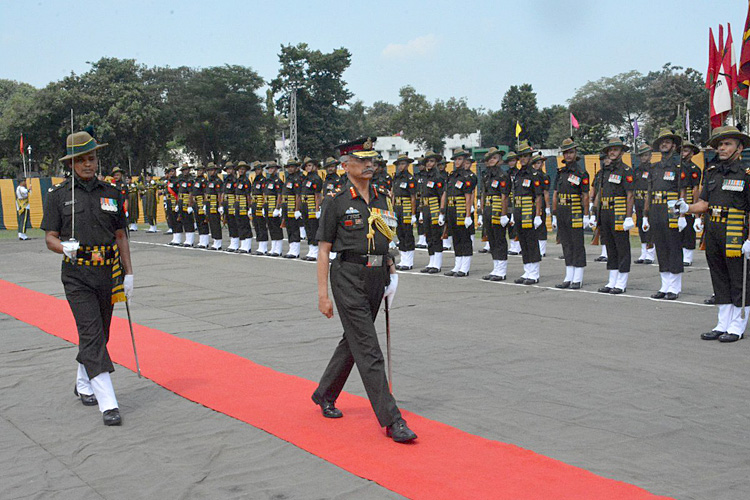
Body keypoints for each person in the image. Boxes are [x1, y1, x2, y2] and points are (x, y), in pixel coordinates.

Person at [312, 137, 416, 443]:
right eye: (363, 160)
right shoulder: (336, 200)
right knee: (369, 349)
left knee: (354, 341)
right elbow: (323, 250)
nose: (370, 165)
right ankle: (391, 420)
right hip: (347, 276)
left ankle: (324, 393)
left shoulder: (382, 197)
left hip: (377, 274)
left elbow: (387, 238)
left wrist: (392, 272)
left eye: (372, 160)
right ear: (346, 166)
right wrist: (322, 294)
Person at [40, 130, 133, 426]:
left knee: (101, 335)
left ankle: (83, 382)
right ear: (71, 164)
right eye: (81, 160)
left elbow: (121, 236)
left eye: (91, 158)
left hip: (108, 272)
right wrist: (62, 248)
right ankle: (108, 403)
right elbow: (49, 237)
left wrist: (129, 273)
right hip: (77, 274)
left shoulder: (112, 193)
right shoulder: (58, 196)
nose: (88, 165)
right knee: (92, 333)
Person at [678, 126, 750, 342]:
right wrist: (687, 208)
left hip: (736, 229)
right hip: (714, 229)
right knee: (719, 277)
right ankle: (722, 323)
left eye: (727, 144)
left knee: (738, 278)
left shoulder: (746, 174)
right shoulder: (711, 172)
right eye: (719, 145)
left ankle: (737, 325)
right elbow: (704, 203)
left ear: (740, 147)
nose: (722, 148)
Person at [642, 129, 686, 300]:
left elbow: (682, 191)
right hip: (656, 208)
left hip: (672, 207)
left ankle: (674, 287)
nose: (664, 145)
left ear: (674, 146)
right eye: (661, 142)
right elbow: (649, 192)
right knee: (660, 246)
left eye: (667, 142)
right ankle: (664, 285)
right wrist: (646, 215)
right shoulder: (654, 167)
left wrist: (682, 215)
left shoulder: (678, 166)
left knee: (673, 246)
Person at [592, 138, 635, 294]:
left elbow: (630, 195)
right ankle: (612, 281)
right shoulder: (604, 170)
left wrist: (628, 216)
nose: (612, 152)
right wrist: (594, 212)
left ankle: (621, 283)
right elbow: (599, 192)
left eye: (615, 149)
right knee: (609, 246)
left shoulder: (626, 170)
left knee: (622, 246)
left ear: (622, 152)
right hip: (605, 211)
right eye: (610, 150)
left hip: (619, 211)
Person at [552, 138, 590, 289]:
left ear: (576, 154)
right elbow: (555, 193)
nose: (568, 155)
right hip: (562, 210)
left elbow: (585, 196)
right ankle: (569, 275)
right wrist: (554, 214)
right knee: (566, 243)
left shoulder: (581, 172)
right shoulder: (560, 172)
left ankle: (578, 277)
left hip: (575, 210)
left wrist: (586, 215)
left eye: (571, 152)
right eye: (566, 153)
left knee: (577, 243)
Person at [512, 141, 544, 284]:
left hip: (528, 210)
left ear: (530, 157)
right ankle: (527, 270)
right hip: (518, 210)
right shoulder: (518, 174)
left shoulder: (534, 174)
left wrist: (538, 215)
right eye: (521, 156)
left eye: (526, 156)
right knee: (523, 242)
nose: (523, 159)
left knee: (531, 241)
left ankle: (534, 273)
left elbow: (538, 196)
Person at [443, 147, 476, 277]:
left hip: (461, 209)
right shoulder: (452, 176)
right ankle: (457, 264)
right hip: (451, 209)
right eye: (456, 159)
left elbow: (468, 196)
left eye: (460, 159)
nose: (457, 162)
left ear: (465, 160)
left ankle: (465, 267)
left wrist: (468, 215)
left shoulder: (467, 176)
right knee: (455, 237)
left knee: (464, 238)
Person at [480, 147, 511, 280]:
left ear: (499, 160)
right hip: (488, 207)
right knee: (491, 239)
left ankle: (502, 270)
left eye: (494, 158)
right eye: (489, 158)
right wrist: (481, 212)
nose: (491, 160)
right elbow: (483, 193)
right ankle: (496, 267)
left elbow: (504, 196)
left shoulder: (503, 175)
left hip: (498, 208)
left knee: (499, 239)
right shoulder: (487, 175)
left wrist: (504, 214)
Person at [419, 151, 446, 273]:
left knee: (436, 235)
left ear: (436, 163)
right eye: (428, 161)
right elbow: (421, 195)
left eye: (432, 161)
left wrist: (441, 212)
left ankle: (437, 263)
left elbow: (442, 195)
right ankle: (431, 261)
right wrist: (420, 212)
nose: (429, 164)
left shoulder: (438, 177)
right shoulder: (423, 176)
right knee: (428, 235)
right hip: (425, 207)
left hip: (435, 206)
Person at [392, 153, 418, 270]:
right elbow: (393, 194)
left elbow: (413, 197)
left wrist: (413, 213)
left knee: (407, 233)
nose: (400, 166)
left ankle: (409, 261)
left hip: (406, 206)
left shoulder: (410, 179)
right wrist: (392, 209)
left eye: (402, 164)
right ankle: (403, 259)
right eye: (399, 164)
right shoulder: (396, 177)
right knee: (400, 233)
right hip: (397, 206)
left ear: (407, 165)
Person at [681, 141, 703, 266]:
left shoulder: (694, 168)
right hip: (676, 199)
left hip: (688, 199)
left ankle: (688, 255)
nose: (683, 153)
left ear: (692, 153)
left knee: (689, 230)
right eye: (682, 150)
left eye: (685, 150)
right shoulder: (677, 166)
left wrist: (696, 212)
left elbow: (695, 189)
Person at [633, 145, 656, 264]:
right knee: (641, 226)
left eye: (646, 155)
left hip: (649, 202)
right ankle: (643, 253)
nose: (644, 157)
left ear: (651, 156)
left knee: (649, 228)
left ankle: (650, 254)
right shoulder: (636, 170)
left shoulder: (653, 169)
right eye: (642, 155)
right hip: (638, 201)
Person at [301, 157, 323, 261]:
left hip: (312, 204)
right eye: (306, 166)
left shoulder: (316, 178)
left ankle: (316, 250)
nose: (308, 167)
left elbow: (317, 195)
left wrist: (317, 208)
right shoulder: (306, 178)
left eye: (310, 165)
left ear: (314, 166)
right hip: (305, 204)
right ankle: (311, 249)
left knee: (313, 227)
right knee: (307, 227)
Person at [531, 153, 551, 257]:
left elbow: (546, 192)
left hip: (541, 202)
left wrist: (547, 206)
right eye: (537, 163)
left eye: (541, 163)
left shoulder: (544, 176)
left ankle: (542, 249)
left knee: (541, 225)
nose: (539, 165)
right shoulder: (530, 175)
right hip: (530, 202)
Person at [282, 159, 303, 258]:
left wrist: (297, 209)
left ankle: (295, 250)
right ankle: (291, 248)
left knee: (294, 228)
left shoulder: (297, 179)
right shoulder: (288, 178)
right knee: (289, 227)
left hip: (293, 204)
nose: (290, 169)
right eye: (289, 167)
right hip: (286, 205)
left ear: (296, 168)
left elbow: (298, 195)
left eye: (292, 167)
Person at [264, 161, 285, 256]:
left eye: (272, 168)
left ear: (276, 169)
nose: (270, 170)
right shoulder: (267, 181)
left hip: (274, 205)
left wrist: (278, 208)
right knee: (271, 227)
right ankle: (273, 247)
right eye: (269, 168)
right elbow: (265, 195)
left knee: (276, 227)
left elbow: (280, 195)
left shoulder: (278, 181)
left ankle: (278, 249)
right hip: (268, 205)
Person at [234, 161, 254, 253]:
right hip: (238, 203)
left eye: (243, 169)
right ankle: (243, 244)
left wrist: (249, 207)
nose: (241, 171)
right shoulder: (238, 180)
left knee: (245, 224)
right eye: (239, 169)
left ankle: (247, 245)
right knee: (239, 224)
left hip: (243, 203)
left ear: (245, 170)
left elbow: (248, 195)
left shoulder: (246, 181)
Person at [250, 161, 269, 255]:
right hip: (254, 203)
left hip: (260, 203)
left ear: (262, 170)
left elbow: (264, 194)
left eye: (259, 169)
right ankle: (260, 244)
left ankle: (264, 246)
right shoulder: (255, 180)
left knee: (261, 224)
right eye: (256, 169)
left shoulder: (263, 180)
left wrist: (263, 206)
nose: (257, 171)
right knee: (256, 224)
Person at [190, 165, 210, 248]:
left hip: (201, 201)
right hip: (195, 201)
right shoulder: (195, 180)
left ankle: (205, 241)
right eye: (198, 170)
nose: (199, 172)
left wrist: (205, 204)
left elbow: (205, 193)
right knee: (198, 220)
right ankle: (201, 240)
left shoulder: (204, 181)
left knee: (203, 220)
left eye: (200, 170)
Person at [204, 162, 223, 250]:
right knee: (211, 222)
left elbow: (219, 194)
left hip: (214, 203)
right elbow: (206, 193)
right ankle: (215, 239)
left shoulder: (217, 181)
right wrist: (205, 204)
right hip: (208, 203)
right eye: (209, 170)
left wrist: (220, 205)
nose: (211, 172)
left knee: (215, 222)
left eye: (212, 170)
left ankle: (218, 241)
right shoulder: (208, 181)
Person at [222, 162, 240, 252]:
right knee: (229, 222)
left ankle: (235, 242)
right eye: (227, 169)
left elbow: (236, 193)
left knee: (234, 223)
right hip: (226, 202)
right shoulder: (226, 180)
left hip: (232, 202)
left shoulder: (235, 180)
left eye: (230, 169)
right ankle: (232, 241)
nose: (229, 171)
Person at [177, 165, 196, 247]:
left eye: (186, 170)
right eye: (183, 170)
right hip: (181, 201)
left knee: (189, 221)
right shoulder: (181, 179)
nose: (185, 171)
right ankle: (187, 239)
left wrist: (190, 205)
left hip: (187, 200)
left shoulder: (191, 179)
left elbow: (191, 193)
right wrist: (178, 203)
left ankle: (190, 240)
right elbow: (179, 192)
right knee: (184, 220)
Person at [163, 165, 180, 239]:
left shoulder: (177, 181)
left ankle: (178, 238)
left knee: (177, 221)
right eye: (170, 172)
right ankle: (175, 237)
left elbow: (179, 193)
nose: (172, 173)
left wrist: (177, 204)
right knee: (171, 219)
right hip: (169, 202)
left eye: (173, 171)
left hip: (175, 202)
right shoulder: (168, 182)